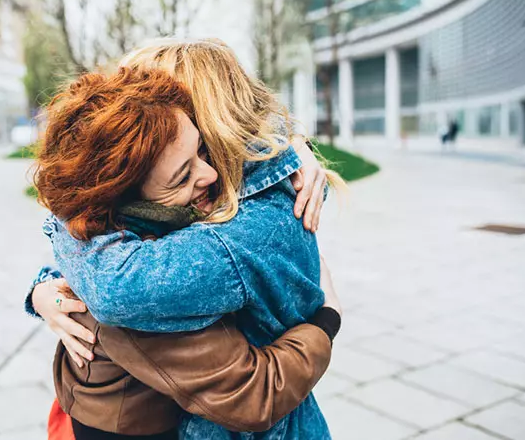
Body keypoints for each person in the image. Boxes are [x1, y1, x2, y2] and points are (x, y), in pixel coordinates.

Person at [29, 39, 344, 440]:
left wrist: (328, 318)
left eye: (203, 149)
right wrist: (43, 291)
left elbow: (114, 285)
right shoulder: (166, 233)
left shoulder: (229, 237)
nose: (207, 173)